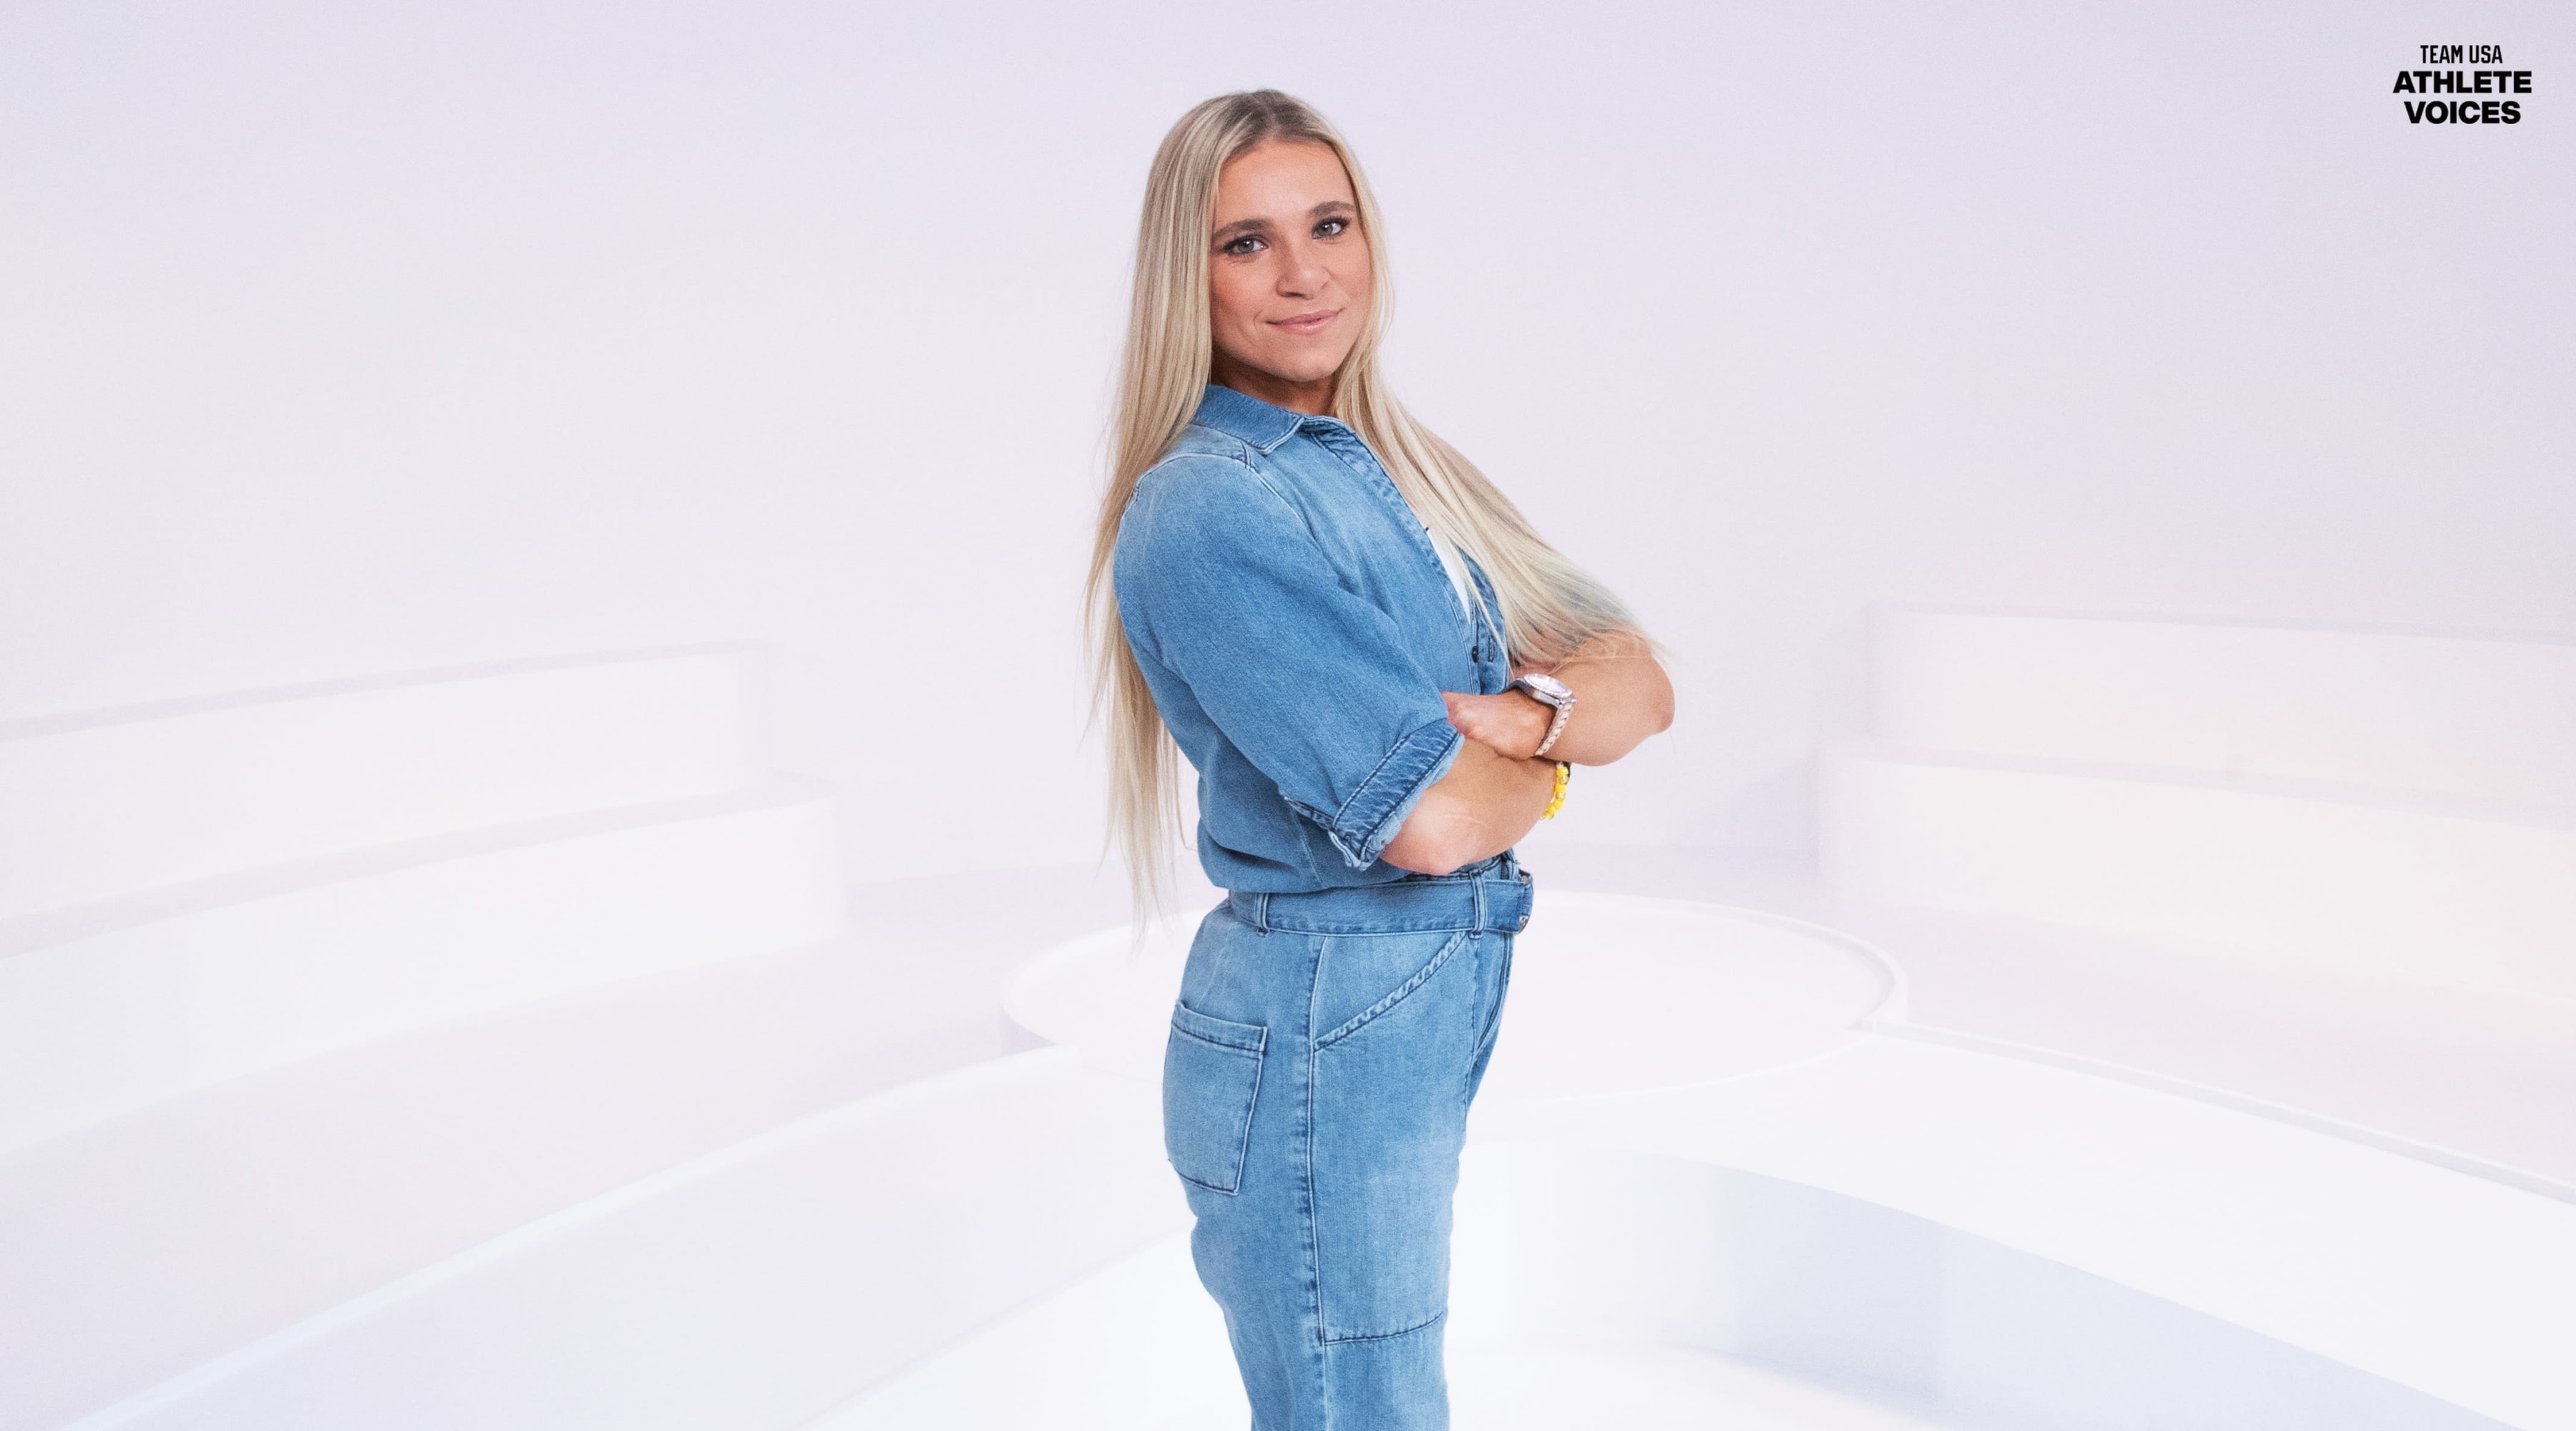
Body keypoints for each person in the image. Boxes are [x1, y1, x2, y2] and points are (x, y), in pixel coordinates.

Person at [1086, 89, 1672, 1429]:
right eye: (1245, 242)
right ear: (1188, 275)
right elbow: (1433, 824)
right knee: (1366, 1408)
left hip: (1394, 1011)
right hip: (1318, 1020)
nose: (1303, 273)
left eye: (1328, 223)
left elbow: (1639, 684)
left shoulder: (1403, 470)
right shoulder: (1210, 508)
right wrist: (1549, 749)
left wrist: (1524, 726)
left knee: (1377, 1397)